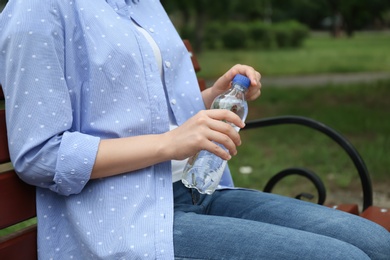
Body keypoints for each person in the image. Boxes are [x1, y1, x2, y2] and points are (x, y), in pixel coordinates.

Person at [1, 0, 389, 259]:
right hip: (127, 219)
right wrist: (169, 143)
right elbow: (39, 155)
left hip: (199, 189)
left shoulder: (142, 3)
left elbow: (145, 117)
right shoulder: (38, 9)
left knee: (378, 243)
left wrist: (211, 98)